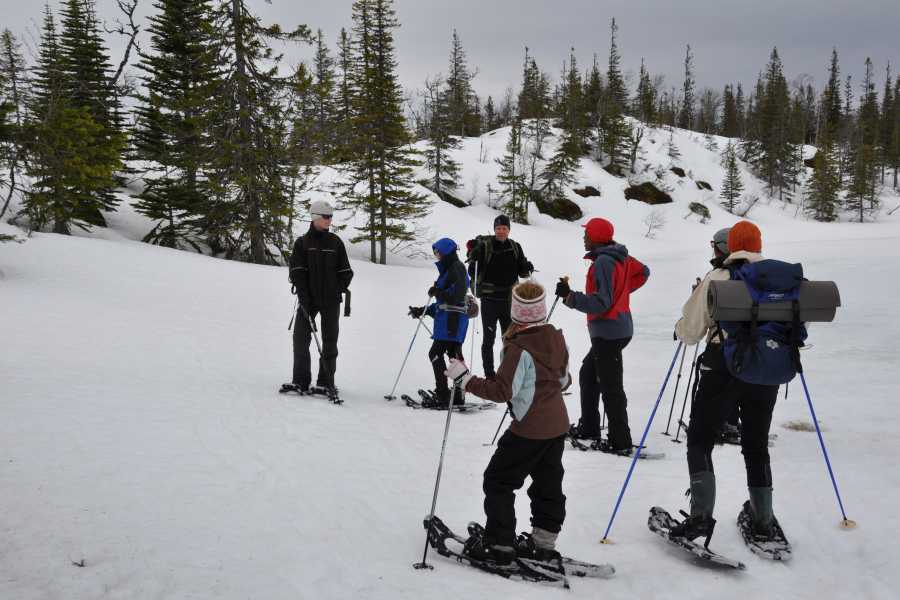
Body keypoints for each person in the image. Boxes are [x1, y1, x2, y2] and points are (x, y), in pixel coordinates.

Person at [444, 280, 571, 565]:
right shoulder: (557, 339)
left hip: (530, 428)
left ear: (515, 312)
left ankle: (500, 544)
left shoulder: (518, 349)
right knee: (547, 484)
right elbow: (564, 380)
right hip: (556, 426)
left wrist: (465, 379)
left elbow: (501, 391)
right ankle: (543, 544)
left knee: (498, 480)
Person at [671, 220, 781, 542]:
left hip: (723, 367)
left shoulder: (717, 277)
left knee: (700, 440)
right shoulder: (777, 277)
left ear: (730, 246)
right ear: (759, 244)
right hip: (766, 369)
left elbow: (691, 331)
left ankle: (701, 518)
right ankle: (763, 520)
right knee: (756, 445)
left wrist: (680, 327)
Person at [555, 217, 649, 454]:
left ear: (596, 237)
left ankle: (620, 441)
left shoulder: (604, 263)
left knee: (610, 387)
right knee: (588, 375)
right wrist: (621, 292)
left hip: (608, 332)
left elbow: (600, 303)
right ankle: (589, 427)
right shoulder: (619, 256)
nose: (583, 238)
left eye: (587, 234)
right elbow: (643, 272)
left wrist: (570, 297)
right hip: (618, 328)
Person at [288, 200, 353, 393]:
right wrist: (304, 298)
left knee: (330, 342)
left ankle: (325, 381)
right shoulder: (302, 243)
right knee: (300, 338)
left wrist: (337, 289)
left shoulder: (335, 242)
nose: (329, 220)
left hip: (331, 301)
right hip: (308, 300)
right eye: (326, 216)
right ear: (315, 217)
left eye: (331, 216)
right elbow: (297, 273)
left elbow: (346, 272)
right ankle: (301, 380)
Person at [466, 215, 534, 379]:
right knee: (488, 339)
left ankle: (508, 374)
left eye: (504, 228)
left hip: (509, 301)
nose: (501, 231)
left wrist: (527, 267)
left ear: (509, 230)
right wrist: (474, 259)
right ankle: (489, 375)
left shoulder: (515, 247)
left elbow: (523, 272)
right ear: (494, 229)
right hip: (489, 300)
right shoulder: (485, 247)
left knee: (510, 339)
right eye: (498, 228)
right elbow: (472, 272)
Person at [408, 238, 470, 407]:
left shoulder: (457, 268)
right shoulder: (449, 269)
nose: (437, 255)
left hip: (453, 321)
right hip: (449, 320)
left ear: (447, 252)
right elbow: (443, 302)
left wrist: (438, 292)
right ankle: (458, 394)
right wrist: (423, 310)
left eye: (438, 252)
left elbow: (457, 296)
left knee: (436, 353)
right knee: (454, 356)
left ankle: (443, 394)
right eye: (435, 253)